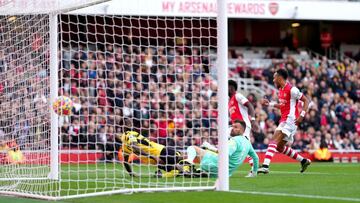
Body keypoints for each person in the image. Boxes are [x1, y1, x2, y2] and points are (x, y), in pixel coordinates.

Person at [258, 69, 311, 174]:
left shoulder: (292, 90)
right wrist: (270, 104)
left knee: (274, 140)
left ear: (280, 77)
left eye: (274, 77)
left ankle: (265, 166)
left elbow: (306, 101)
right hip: (284, 119)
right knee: (279, 147)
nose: (273, 80)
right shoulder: (281, 91)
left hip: (291, 120)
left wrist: (302, 115)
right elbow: (283, 106)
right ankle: (304, 161)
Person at [185, 120, 259, 178]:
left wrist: (210, 147)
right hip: (226, 174)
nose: (232, 129)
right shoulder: (248, 143)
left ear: (242, 130)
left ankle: (189, 162)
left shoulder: (234, 141)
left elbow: (224, 154)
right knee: (206, 153)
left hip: (214, 165)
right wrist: (254, 172)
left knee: (193, 148)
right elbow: (256, 158)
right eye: (233, 126)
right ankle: (201, 171)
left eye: (236, 127)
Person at [118, 131, 188, 178]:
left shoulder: (126, 139)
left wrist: (131, 173)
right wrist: (131, 173)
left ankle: (186, 170)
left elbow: (126, 160)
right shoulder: (127, 135)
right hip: (157, 152)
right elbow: (126, 159)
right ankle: (188, 170)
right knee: (177, 160)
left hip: (156, 154)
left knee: (177, 161)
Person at [227, 80, 259, 175]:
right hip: (235, 128)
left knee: (246, 148)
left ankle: (254, 169)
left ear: (231, 87)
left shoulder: (238, 96)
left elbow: (249, 105)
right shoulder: (230, 101)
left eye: (226, 86)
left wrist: (253, 119)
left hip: (243, 126)